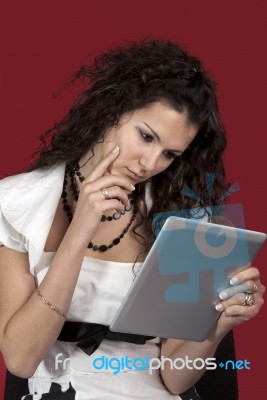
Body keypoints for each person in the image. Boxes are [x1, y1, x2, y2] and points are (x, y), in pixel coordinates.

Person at [0, 38, 265, 400]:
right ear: (113, 110)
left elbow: (175, 379)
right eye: (145, 136)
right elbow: (20, 359)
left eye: (169, 153)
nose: (149, 164)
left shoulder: (187, 221)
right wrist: (79, 231)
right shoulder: (17, 204)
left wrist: (216, 328)